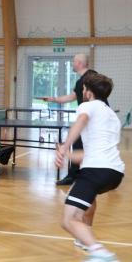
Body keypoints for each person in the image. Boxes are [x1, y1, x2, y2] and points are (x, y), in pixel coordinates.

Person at [55, 73, 124, 262]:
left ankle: (100, 253)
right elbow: (92, 153)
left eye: (84, 89)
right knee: (89, 200)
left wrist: (65, 145)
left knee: (68, 220)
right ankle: (84, 238)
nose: (82, 92)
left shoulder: (87, 106)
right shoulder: (112, 116)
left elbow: (82, 120)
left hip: (95, 171)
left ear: (88, 92)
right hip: (114, 173)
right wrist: (68, 155)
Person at [42, 53, 99, 186]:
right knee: (77, 144)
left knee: (88, 146)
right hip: (86, 120)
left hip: (92, 120)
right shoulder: (80, 81)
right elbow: (72, 97)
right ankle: (74, 175)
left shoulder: (92, 77)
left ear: (79, 63)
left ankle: (80, 175)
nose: (72, 64)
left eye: (74, 61)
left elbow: (97, 96)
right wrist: (53, 99)